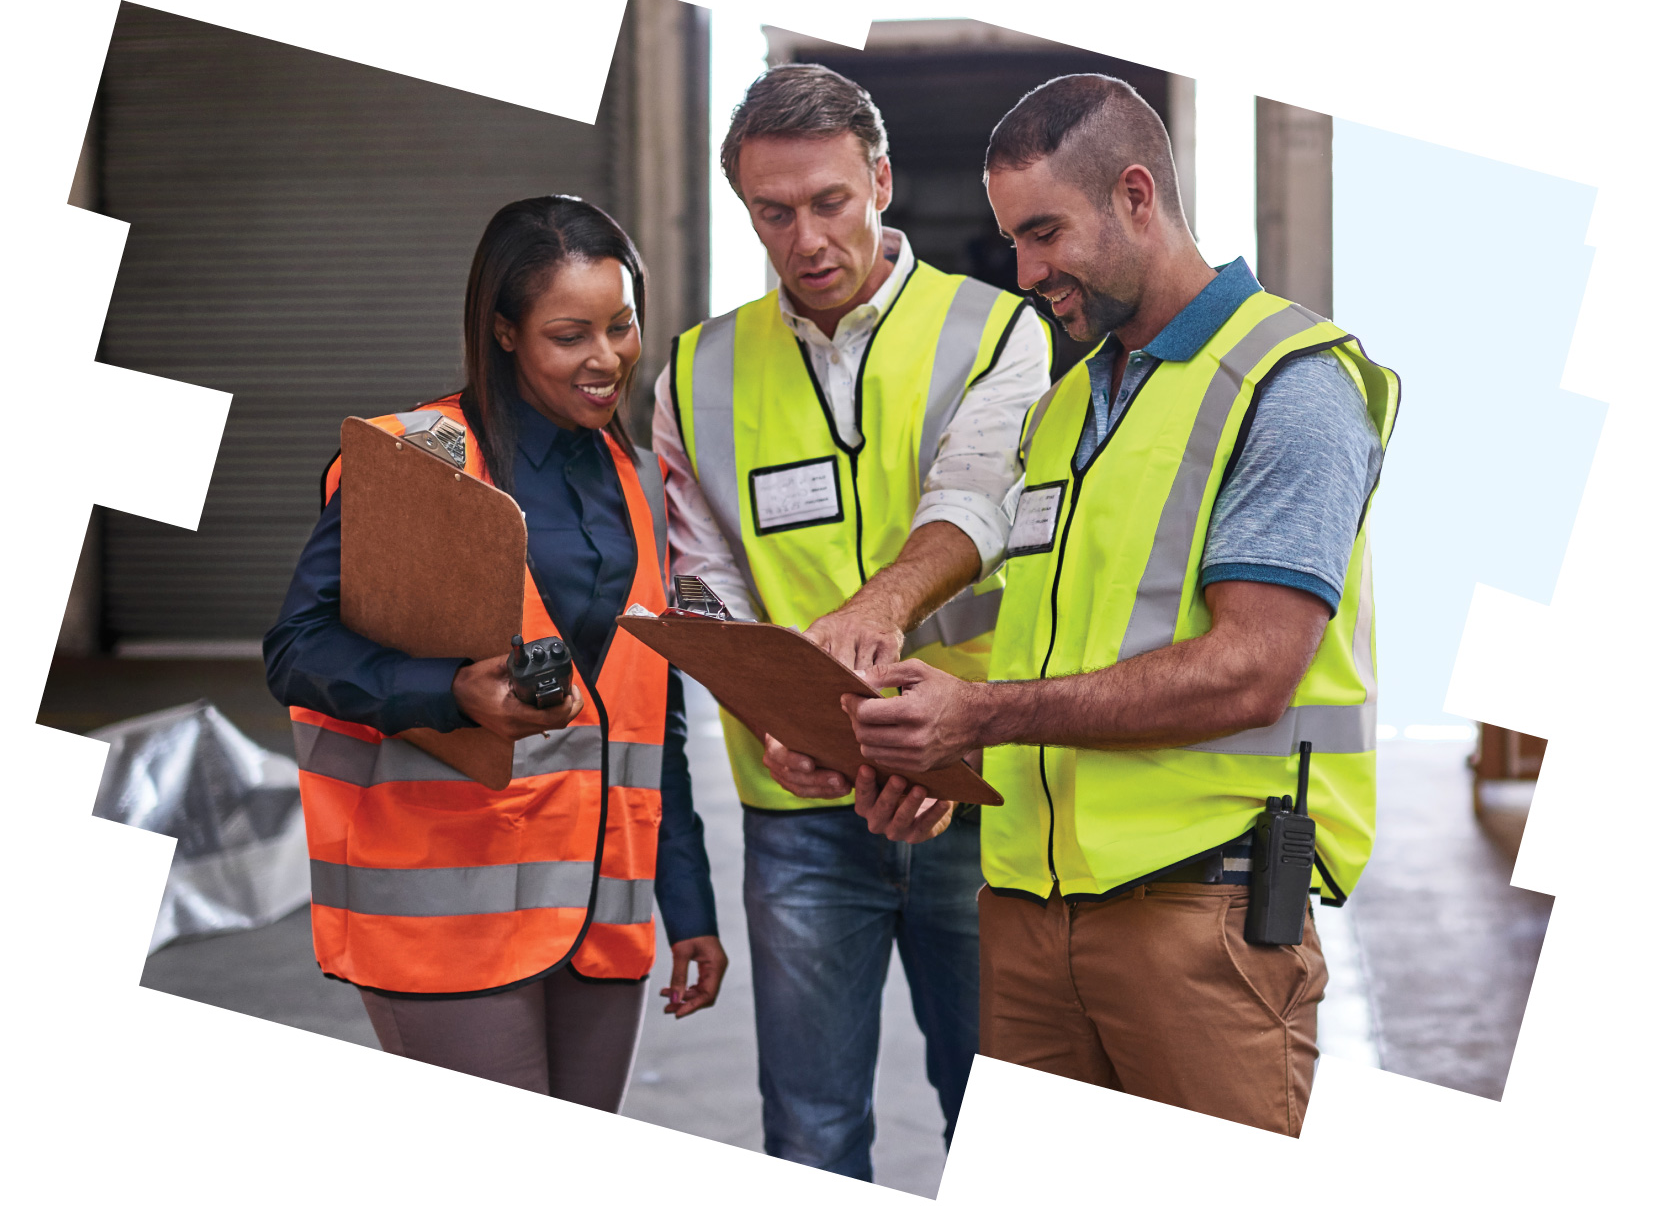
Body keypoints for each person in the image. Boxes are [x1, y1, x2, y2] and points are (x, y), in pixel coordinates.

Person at [841, 74, 1399, 1137]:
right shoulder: (1063, 410)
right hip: (1025, 919)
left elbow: (1255, 666)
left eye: (1044, 232)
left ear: (1136, 196)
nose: (1025, 271)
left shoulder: (1288, 384)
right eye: (1013, 239)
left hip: (1203, 922)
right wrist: (933, 755)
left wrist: (987, 715)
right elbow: (1045, 642)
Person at [652, 64, 1050, 1178]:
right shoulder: (695, 370)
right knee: (810, 1137)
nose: (805, 236)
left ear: (880, 180)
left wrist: (875, 616)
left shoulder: (997, 333)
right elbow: (708, 581)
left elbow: (974, 501)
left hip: (969, 792)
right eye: (773, 213)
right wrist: (778, 711)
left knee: (995, 1122)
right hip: (798, 807)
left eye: (829, 201)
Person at [264, 195, 728, 1108]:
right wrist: (450, 693)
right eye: (570, 335)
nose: (607, 360)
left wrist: (692, 909)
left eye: (622, 326)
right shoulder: (423, 455)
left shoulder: (637, 479)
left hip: (603, 912)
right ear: (506, 333)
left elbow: (648, 714)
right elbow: (296, 650)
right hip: (445, 918)